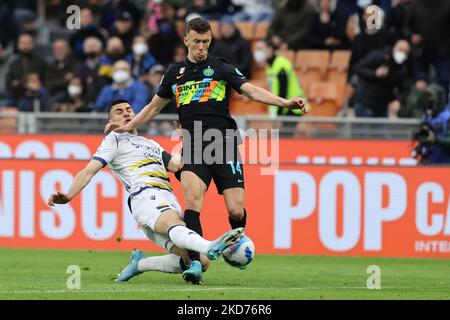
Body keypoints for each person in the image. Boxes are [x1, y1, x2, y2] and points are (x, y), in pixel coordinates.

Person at [106, 18, 309, 281]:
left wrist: (285, 102)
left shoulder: (221, 67)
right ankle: (194, 263)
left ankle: (236, 244)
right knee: (192, 203)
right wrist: (128, 126)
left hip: (224, 144)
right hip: (193, 146)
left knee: (236, 210)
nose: (201, 47)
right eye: (197, 42)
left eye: (206, 42)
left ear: (210, 41)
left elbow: (250, 91)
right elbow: (154, 107)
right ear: (186, 41)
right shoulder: (175, 73)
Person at [48, 99, 245, 285]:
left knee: (200, 262)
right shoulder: (114, 139)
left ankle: (140, 264)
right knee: (180, 229)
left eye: (129, 110)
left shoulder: (152, 145)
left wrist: (188, 142)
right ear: (111, 122)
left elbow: (180, 167)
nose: (126, 113)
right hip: (145, 195)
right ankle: (209, 246)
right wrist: (69, 195)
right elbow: (90, 169)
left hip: (166, 198)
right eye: (119, 112)